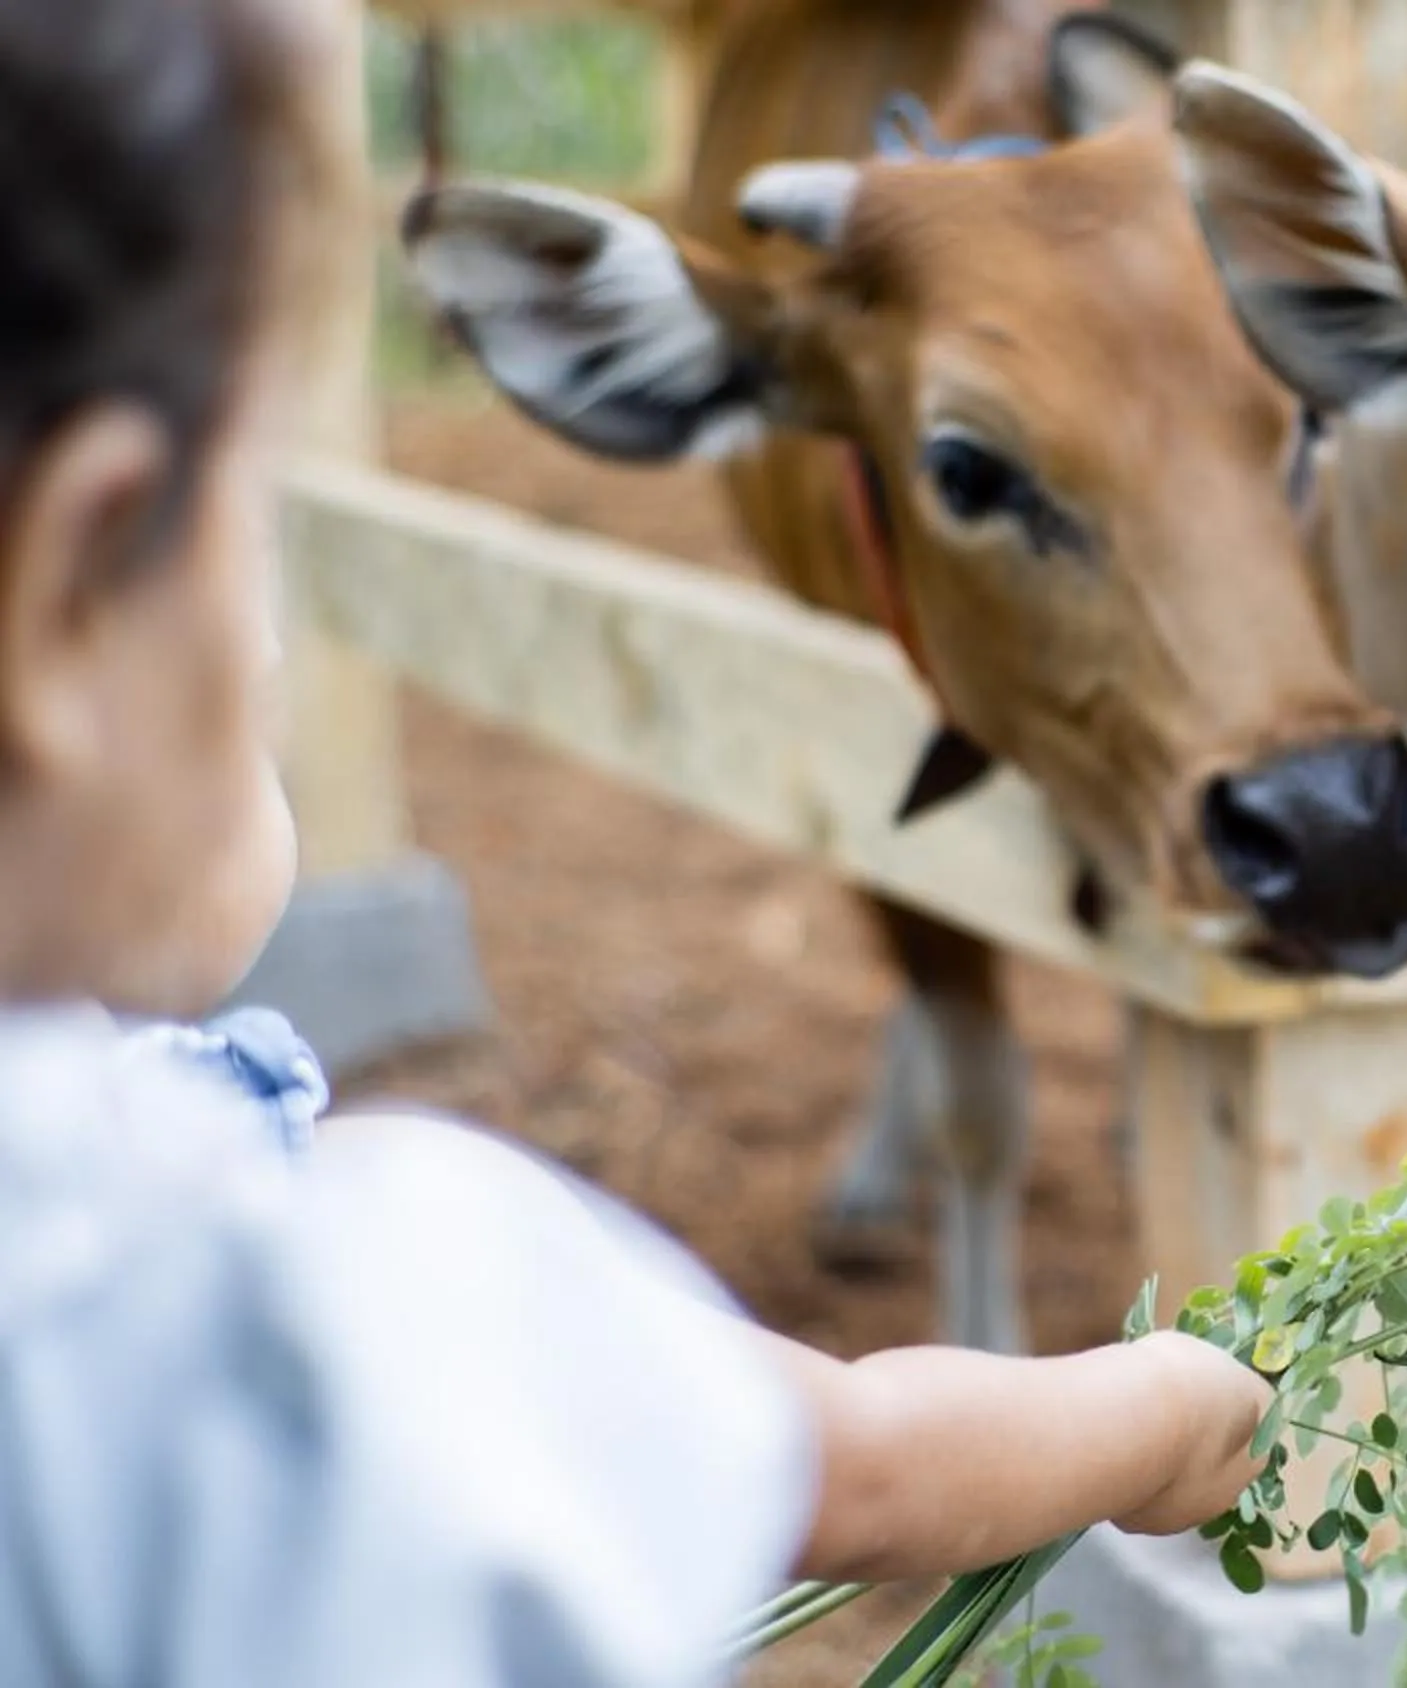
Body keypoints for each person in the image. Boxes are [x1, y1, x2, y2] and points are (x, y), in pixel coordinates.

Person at [0, 3, 1270, 1684]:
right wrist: (1163, 1414)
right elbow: (867, 1460)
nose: (279, 640)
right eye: (264, 515)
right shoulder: (330, 1296)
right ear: (69, 601)